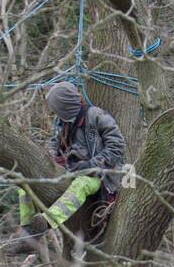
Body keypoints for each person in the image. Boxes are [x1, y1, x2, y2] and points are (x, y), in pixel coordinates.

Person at [15, 81, 126, 248]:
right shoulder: (62, 123)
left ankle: (45, 224)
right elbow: (53, 145)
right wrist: (50, 159)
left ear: (65, 105)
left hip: (98, 175)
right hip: (68, 171)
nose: (54, 112)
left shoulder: (95, 116)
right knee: (26, 180)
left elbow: (117, 147)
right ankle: (27, 228)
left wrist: (91, 164)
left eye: (56, 108)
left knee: (81, 185)